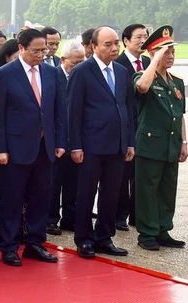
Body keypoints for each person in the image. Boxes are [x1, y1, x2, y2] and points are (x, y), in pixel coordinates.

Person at [0, 28, 66, 266]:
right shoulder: (4, 74)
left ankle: (35, 243)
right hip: (15, 148)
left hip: (45, 146)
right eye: (36, 50)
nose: (41, 54)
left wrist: (60, 142)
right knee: (12, 199)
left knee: (41, 197)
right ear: (21, 48)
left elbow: (59, 112)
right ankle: (9, 246)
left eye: (44, 50)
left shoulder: (51, 73)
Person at [68, 26, 136, 259]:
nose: (114, 47)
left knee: (111, 193)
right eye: (107, 44)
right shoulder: (82, 71)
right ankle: (84, 239)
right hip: (90, 145)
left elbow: (128, 108)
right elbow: (73, 111)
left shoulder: (121, 71)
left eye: (116, 42)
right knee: (86, 193)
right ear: (94, 47)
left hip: (117, 144)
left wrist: (129, 142)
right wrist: (75, 145)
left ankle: (104, 237)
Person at [133, 26, 187, 250]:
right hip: (150, 143)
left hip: (171, 144)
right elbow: (142, 87)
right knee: (147, 190)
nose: (171, 56)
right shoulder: (144, 76)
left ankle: (163, 229)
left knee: (167, 189)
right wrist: (154, 61)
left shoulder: (177, 82)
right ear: (153, 54)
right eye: (166, 52)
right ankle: (147, 233)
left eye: (173, 52)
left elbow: (180, 114)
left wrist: (184, 142)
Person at [46, 39, 85, 235]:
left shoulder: (83, 77)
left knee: (74, 182)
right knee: (54, 182)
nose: (79, 66)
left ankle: (70, 219)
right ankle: (50, 219)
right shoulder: (53, 76)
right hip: (57, 139)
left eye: (82, 61)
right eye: (75, 62)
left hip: (77, 139)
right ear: (63, 59)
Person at [114, 23, 150, 231]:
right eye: (138, 37)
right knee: (122, 173)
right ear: (126, 41)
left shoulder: (147, 61)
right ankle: (120, 214)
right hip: (126, 124)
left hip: (145, 125)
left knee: (140, 172)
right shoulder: (118, 64)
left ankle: (137, 214)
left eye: (145, 36)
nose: (143, 40)